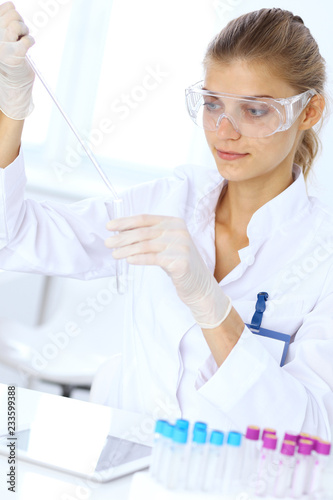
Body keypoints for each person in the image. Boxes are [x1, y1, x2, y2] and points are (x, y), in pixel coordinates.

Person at [0, 2, 332, 439]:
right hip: (126, 474)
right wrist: (12, 106)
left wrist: (210, 303)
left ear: (308, 112)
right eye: (213, 104)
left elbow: (309, 432)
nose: (224, 130)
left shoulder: (321, 255)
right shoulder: (166, 202)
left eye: (254, 110)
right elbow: (15, 237)